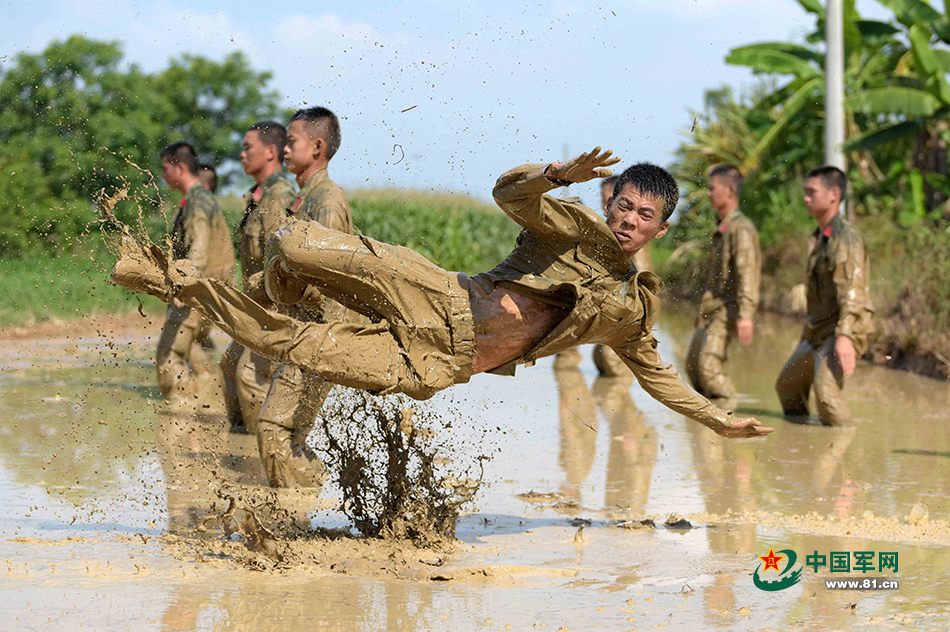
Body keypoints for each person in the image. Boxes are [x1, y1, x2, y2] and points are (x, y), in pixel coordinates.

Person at [113, 147, 772, 439]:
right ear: (611, 200)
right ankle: (286, 287)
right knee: (294, 245)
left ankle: (175, 281)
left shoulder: (630, 312)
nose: (627, 220)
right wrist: (552, 173)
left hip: (440, 364)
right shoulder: (571, 223)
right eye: (622, 205)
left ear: (660, 225)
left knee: (294, 347)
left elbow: (658, 375)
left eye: (642, 215)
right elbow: (508, 194)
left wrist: (716, 419)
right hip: (439, 296)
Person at [246, 107, 356, 488]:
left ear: (318, 146)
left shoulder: (327, 203)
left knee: (274, 429)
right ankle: (308, 502)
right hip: (301, 333)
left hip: (319, 338)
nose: (285, 149)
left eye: (292, 142)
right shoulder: (304, 198)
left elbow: (325, 277)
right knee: (287, 434)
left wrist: (271, 284)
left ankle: (296, 512)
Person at [775, 166, 873, 426]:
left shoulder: (846, 238)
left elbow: (854, 293)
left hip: (841, 329)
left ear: (833, 195)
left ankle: (843, 442)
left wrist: (845, 336)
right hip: (817, 330)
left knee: (826, 394)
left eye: (811, 192)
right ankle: (799, 445)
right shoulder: (820, 236)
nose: (806, 198)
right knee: (787, 386)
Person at [219, 122, 296, 435]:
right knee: (229, 367)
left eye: (247, 147)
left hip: (273, 308)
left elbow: (285, 258)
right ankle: (241, 445)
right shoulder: (258, 197)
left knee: (253, 379)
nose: (241, 154)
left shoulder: (280, 197)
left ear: (270, 152)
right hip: (255, 305)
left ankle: (261, 454)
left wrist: (277, 305)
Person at [155, 142, 235, 400]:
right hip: (210, 291)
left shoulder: (196, 202)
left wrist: (182, 286)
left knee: (169, 357)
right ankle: (209, 400)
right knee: (194, 349)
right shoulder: (204, 198)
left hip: (195, 293)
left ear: (179, 167)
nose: (163, 175)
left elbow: (198, 249)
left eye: (165, 168)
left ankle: (179, 421)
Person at [685, 164, 761, 411]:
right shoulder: (723, 226)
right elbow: (714, 279)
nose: (708, 194)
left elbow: (748, 272)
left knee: (708, 368)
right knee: (693, 367)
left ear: (729, 191)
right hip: (713, 307)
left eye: (712, 189)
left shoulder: (741, 229)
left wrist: (746, 316)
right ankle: (704, 429)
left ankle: (728, 418)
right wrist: (701, 313)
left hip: (728, 309)